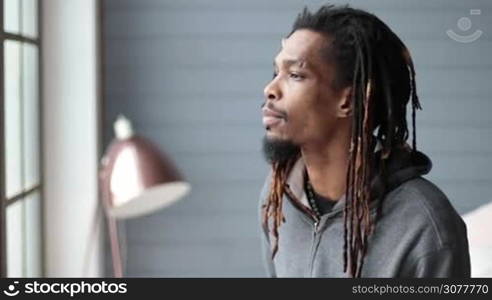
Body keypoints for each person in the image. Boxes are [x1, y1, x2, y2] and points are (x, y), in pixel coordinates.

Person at [258, 5, 470, 278]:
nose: (270, 89)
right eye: (276, 72)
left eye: (295, 75)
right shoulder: (277, 196)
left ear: (347, 100)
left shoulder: (426, 227)